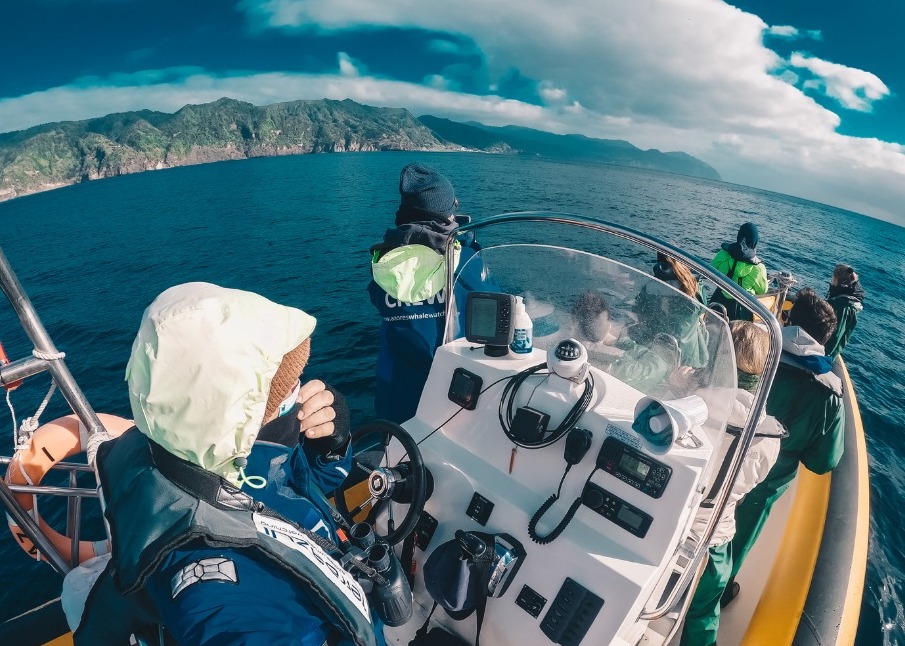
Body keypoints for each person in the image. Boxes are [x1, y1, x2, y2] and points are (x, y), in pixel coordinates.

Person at [70, 283, 382, 646]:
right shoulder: (209, 573)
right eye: (284, 386)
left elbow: (299, 485)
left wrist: (331, 444)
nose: (298, 391)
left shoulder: (210, 451)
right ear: (239, 412)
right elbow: (231, 622)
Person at [723, 287, 843, 606]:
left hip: (723, 449)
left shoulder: (754, 346)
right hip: (771, 476)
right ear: (827, 337)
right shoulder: (829, 393)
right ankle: (719, 589)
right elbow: (823, 461)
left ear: (788, 317)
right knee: (743, 526)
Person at [679, 321, 785, 646]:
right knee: (703, 613)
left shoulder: (688, 403)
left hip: (670, 526)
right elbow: (743, 487)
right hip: (711, 540)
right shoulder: (768, 437)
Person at [369, 163, 489, 423]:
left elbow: (378, 299)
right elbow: (491, 299)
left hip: (396, 393)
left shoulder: (385, 264)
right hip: (452, 389)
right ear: (445, 215)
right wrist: (467, 243)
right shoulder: (465, 260)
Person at [709, 223, 768, 321]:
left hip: (717, 303)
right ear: (755, 242)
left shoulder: (723, 253)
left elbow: (712, 268)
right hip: (741, 311)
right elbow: (762, 290)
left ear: (739, 236)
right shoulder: (759, 267)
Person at [825, 263, 865, 360]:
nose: (831, 281)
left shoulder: (844, 306)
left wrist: (824, 355)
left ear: (840, 281)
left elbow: (836, 335)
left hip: (823, 353)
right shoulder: (843, 301)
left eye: (833, 279)